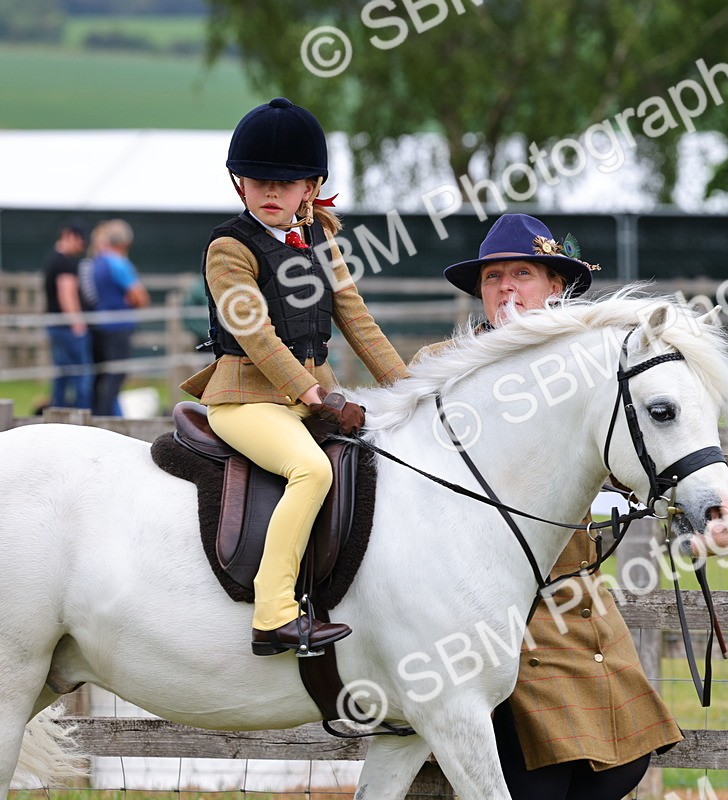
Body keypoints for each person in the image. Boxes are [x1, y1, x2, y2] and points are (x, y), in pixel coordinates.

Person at [414, 213, 681, 799]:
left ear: (556, 286)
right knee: (536, 777)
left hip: (576, 586)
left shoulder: (589, 368)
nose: (505, 288)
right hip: (482, 597)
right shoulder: (443, 365)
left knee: (622, 765)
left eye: (521, 274)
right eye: (492, 278)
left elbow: (636, 447)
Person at [180, 97, 407, 656]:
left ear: (311, 185)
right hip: (247, 401)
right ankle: (274, 613)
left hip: (311, 398)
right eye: (258, 181)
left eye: (286, 182)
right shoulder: (228, 248)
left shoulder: (322, 243)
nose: (271, 193)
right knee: (310, 471)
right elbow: (255, 333)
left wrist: (412, 390)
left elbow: (358, 321)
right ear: (240, 184)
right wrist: (314, 393)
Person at [83, 219, 150, 416]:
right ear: (126, 242)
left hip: (100, 324)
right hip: (119, 326)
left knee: (102, 375)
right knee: (116, 374)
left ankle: (98, 412)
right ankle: (105, 417)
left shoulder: (97, 261)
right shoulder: (119, 263)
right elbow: (140, 297)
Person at [41, 220, 92, 409]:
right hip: (67, 327)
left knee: (61, 375)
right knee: (82, 375)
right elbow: (66, 293)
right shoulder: (65, 262)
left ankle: (58, 413)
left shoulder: (52, 258)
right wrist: (77, 323)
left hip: (56, 324)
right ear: (71, 236)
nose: (82, 246)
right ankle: (82, 415)